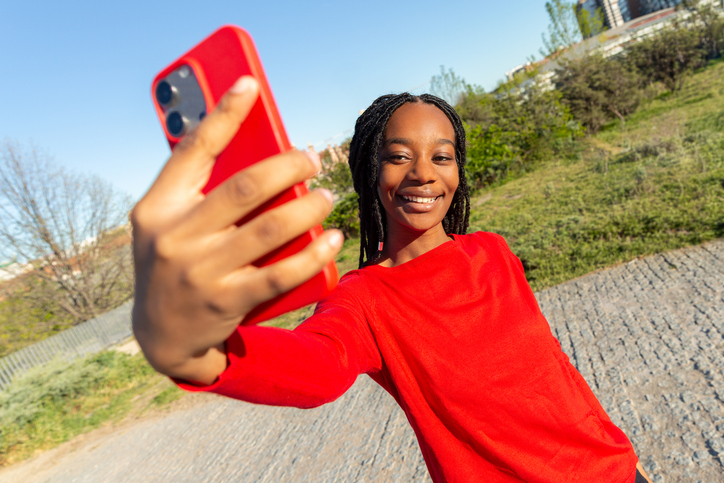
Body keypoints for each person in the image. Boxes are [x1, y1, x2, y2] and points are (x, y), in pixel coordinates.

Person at [132, 76, 654, 482]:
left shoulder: (492, 251)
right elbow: (318, 368)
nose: (424, 173)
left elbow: (553, 374)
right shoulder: (361, 299)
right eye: (399, 156)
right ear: (370, 171)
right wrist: (194, 352)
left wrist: (626, 458)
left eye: (442, 156)